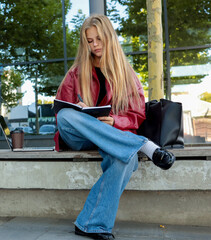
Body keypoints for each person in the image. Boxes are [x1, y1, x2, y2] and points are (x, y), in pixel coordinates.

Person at [54, 14, 175, 240]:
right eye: (89, 41)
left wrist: (114, 121)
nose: (95, 45)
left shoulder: (126, 73)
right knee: (66, 116)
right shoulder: (75, 73)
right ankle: (144, 146)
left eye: (99, 39)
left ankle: (91, 225)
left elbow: (137, 114)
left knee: (126, 158)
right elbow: (62, 112)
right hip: (80, 135)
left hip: (113, 136)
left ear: (109, 37)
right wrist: (82, 112)